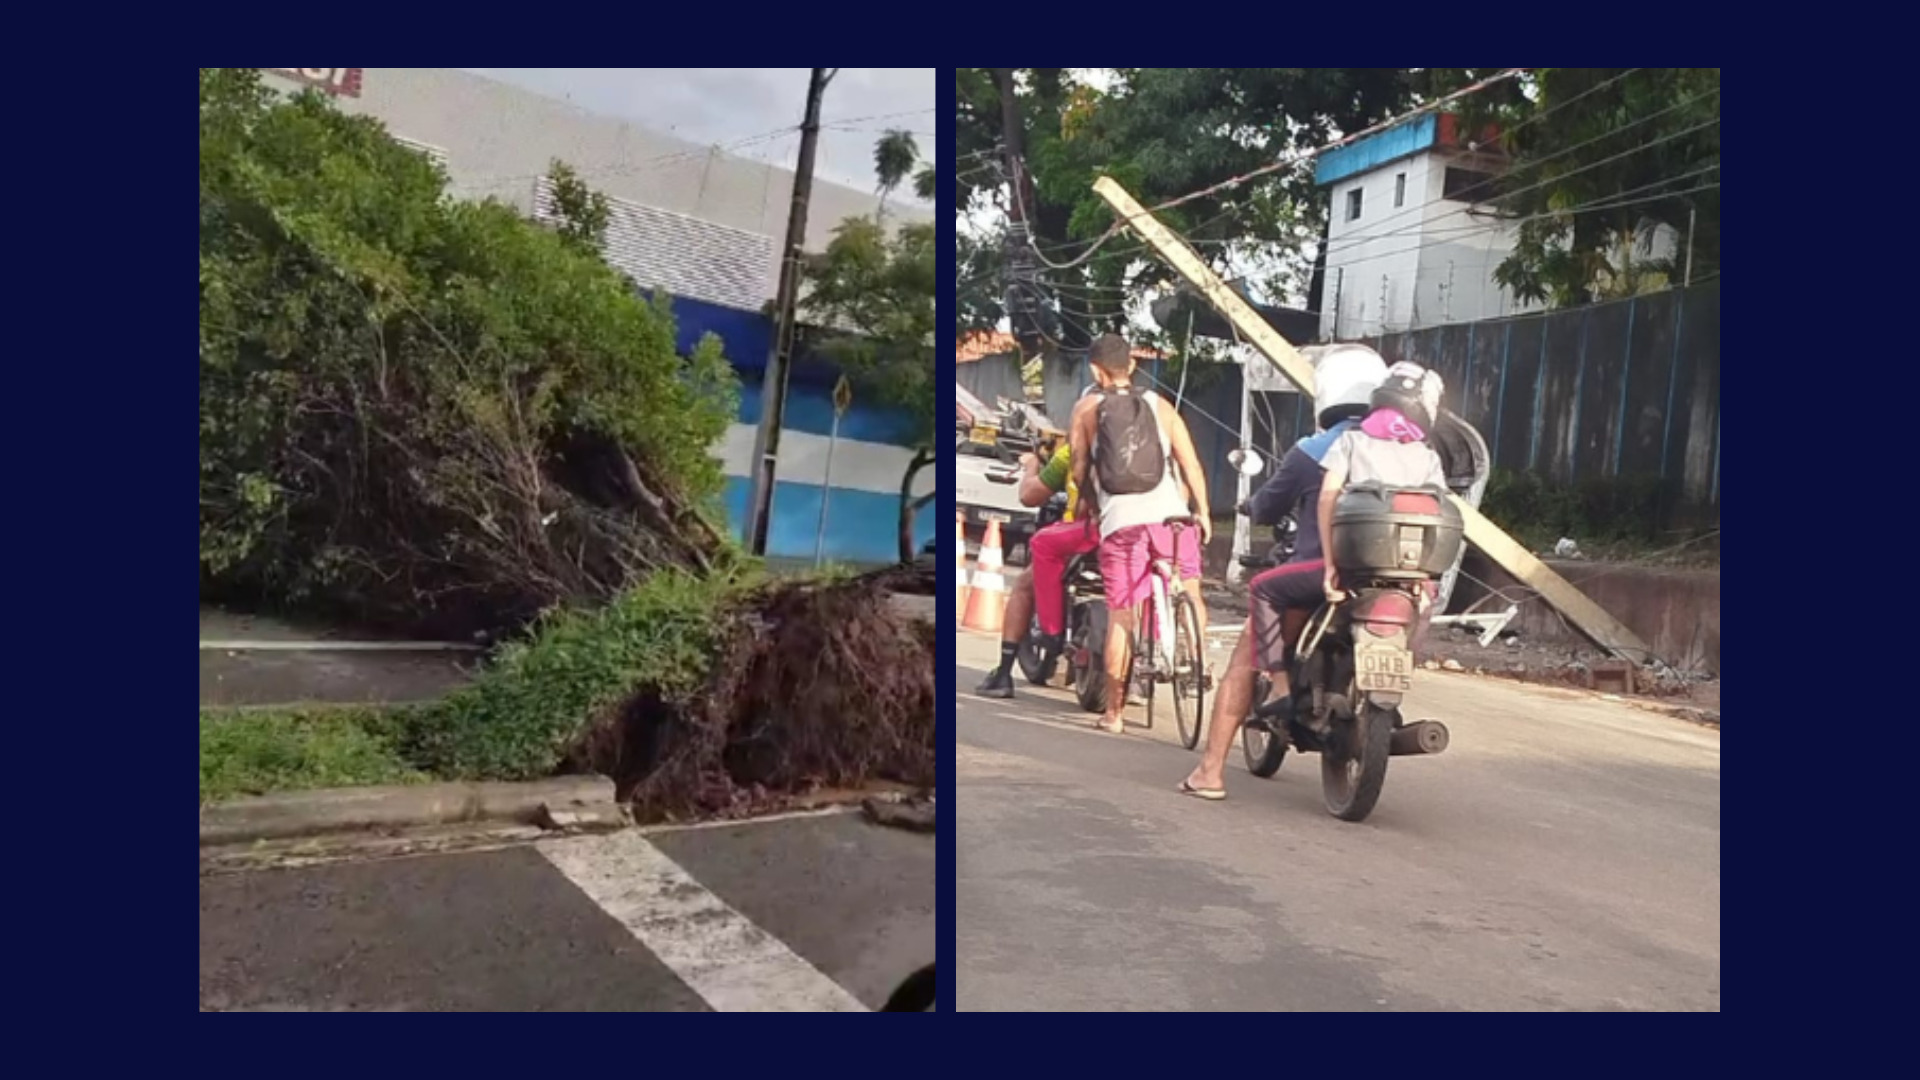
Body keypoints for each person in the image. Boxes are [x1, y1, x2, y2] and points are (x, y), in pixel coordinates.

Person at [1181, 345, 1388, 800]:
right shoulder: (1398, 449)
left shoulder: (1313, 450)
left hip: (1314, 581)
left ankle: (1210, 771)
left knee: (1243, 659)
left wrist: (1250, 505)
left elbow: (1269, 505)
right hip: (1385, 584)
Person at [1069, 333, 1211, 735]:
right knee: (1193, 591)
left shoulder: (1086, 409)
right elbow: (1192, 464)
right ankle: (1199, 661)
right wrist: (1199, 511)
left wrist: (1091, 504)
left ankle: (1114, 714)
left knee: (1122, 616)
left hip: (1122, 525)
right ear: (1131, 366)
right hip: (1172, 519)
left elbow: (1079, 468)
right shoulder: (1162, 406)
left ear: (1096, 370)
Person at [974, 432, 1095, 698]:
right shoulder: (1153, 449)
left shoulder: (1073, 451)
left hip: (1082, 534)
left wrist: (1031, 466)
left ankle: (1004, 672)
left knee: (1023, 586)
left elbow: (1030, 496)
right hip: (1136, 535)